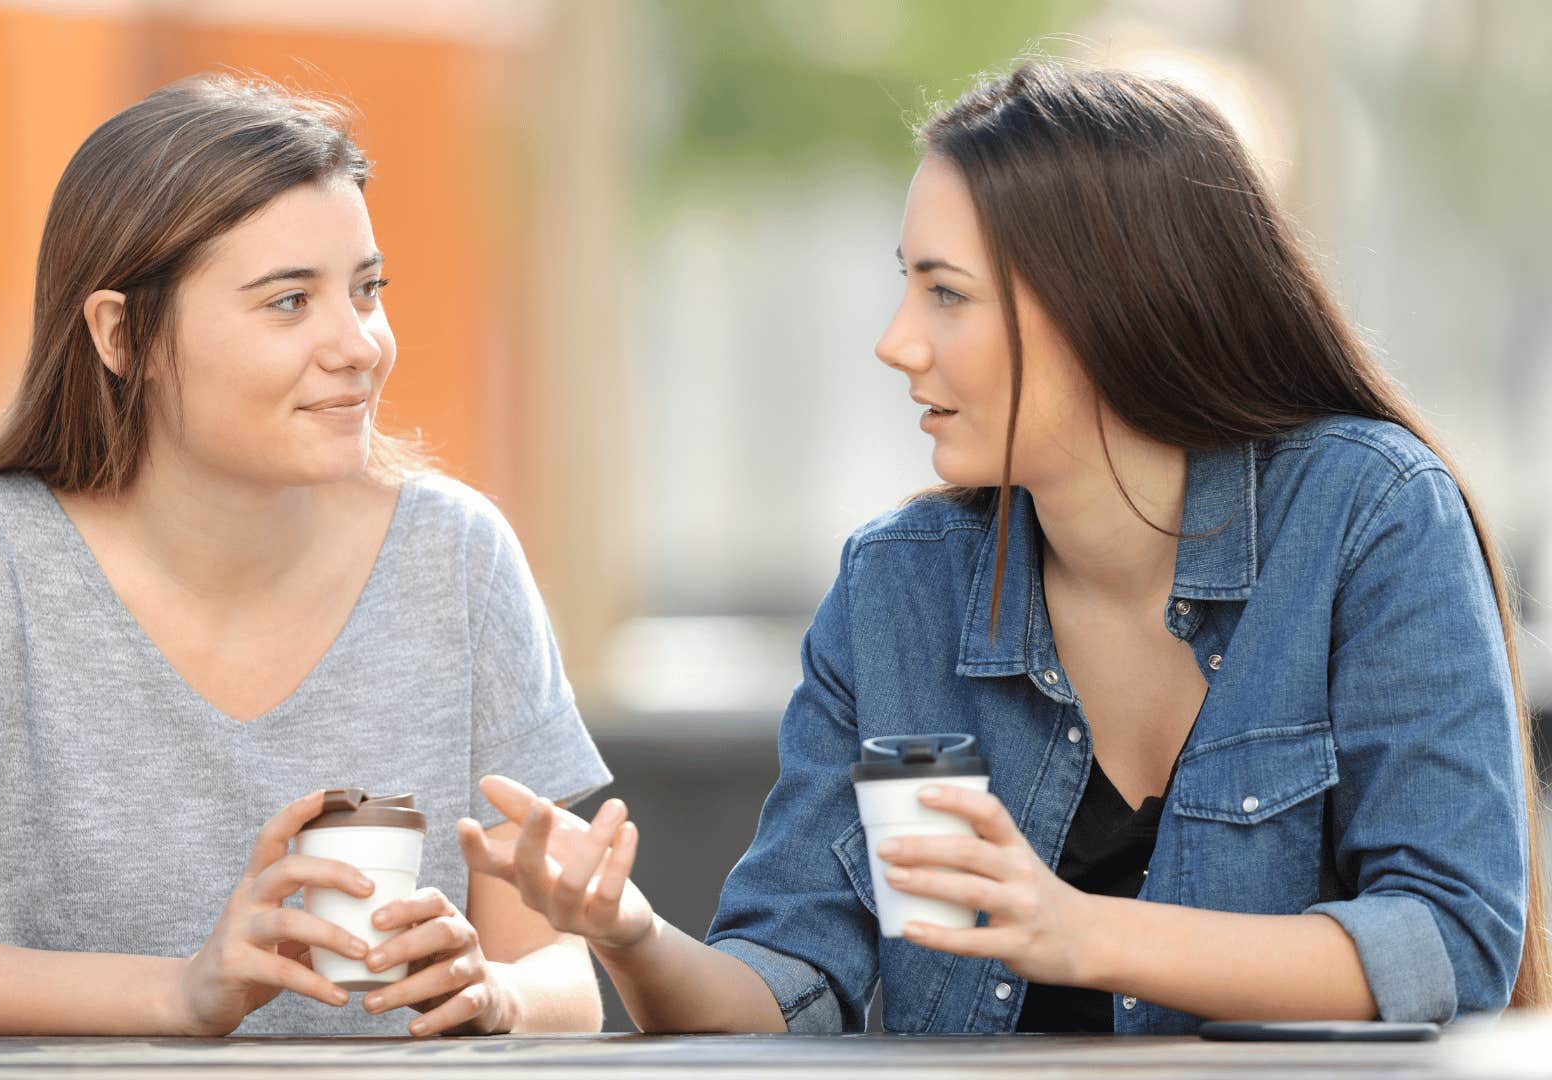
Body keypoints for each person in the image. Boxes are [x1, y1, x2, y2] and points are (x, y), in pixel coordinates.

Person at [462, 60, 1546, 1034]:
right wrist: (631, 934)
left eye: (945, 293)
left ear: (1108, 308)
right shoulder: (899, 586)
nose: (896, 341)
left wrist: (1078, 931)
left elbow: (1452, 942)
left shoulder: (1369, 514)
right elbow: (790, 985)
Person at [0, 74, 610, 1038]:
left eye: (367, 290)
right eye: (290, 302)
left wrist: (497, 993)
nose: (360, 344)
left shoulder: (460, 558)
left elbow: (565, 976)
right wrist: (179, 994)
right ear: (120, 333)